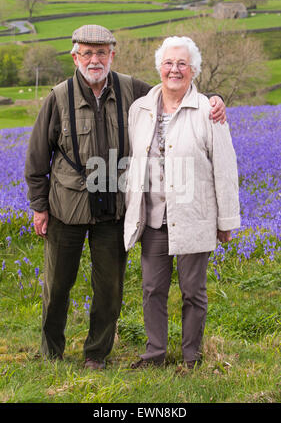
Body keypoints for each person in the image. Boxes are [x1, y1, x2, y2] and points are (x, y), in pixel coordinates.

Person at [24, 25, 226, 370]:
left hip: (114, 207)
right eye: (86, 53)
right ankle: (51, 351)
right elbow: (37, 158)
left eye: (101, 53)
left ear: (111, 55)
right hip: (65, 208)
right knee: (57, 285)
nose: (94, 59)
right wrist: (39, 207)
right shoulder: (58, 97)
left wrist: (213, 100)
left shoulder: (133, 89)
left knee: (109, 288)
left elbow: (176, 91)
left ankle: (96, 354)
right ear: (75, 56)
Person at [124, 36, 240, 370]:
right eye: (169, 63)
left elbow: (225, 167)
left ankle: (191, 357)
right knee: (151, 289)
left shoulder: (209, 110)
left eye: (182, 64)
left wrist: (226, 222)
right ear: (159, 67)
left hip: (194, 214)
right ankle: (154, 354)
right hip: (154, 216)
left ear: (193, 71)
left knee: (193, 291)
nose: (174, 69)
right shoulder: (140, 110)